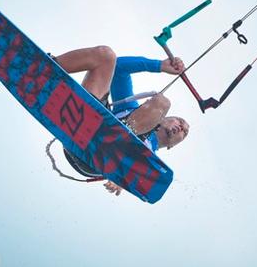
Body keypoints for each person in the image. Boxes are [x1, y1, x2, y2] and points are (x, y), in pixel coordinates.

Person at [52, 46, 190, 196]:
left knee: (162, 103)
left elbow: (141, 180)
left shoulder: (152, 161)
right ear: (164, 118)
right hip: (82, 125)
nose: (181, 127)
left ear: (172, 146)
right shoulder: (128, 108)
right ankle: (48, 68)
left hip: (92, 161)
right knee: (106, 55)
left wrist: (120, 180)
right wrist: (159, 66)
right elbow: (118, 68)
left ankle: (119, 141)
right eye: (180, 121)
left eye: (185, 132)